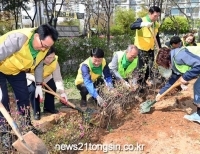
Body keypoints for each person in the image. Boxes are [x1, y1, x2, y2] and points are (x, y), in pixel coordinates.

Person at [0, 24, 58, 138]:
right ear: (36, 36)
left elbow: (39, 65)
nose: (44, 49)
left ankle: (26, 126)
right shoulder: (18, 39)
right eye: (43, 45)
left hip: (16, 70)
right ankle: (5, 134)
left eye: (47, 47)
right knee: (3, 101)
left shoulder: (44, 48)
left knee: (24, 97)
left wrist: (38, 85)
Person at [155, 46, 200, 123]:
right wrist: (161, 93)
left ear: (165, 60)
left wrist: (185, 77)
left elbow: (199, 64)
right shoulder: (174, 61)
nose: (164, 67)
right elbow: (173, 80)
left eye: (162, 65)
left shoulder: (179, 56)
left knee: (198, 87)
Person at [130, 6, 161, 87]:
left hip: (150, 48)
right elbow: (132, 26)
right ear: (150, 14)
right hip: (140, 49)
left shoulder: (156, 24)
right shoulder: (142, 20)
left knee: (150, 67)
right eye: (155, 16)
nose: (156, 18)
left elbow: (156, 36)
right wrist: (143, 24)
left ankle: (144, 82)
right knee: (141, 68)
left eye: (158, 16)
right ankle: (140, 84)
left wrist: (160, 48)